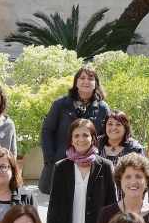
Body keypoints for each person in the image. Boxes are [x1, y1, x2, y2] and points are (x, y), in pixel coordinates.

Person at [38, 65, 110, 196]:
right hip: (61, 163)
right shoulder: (60, 104)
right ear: (76, 82)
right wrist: (50, 159)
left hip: (90, 165)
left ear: (96, 84)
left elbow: (106, 135)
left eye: (90, 78)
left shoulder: (103, 108)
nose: (86, 81)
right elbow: (47, 131)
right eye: (82, 78)